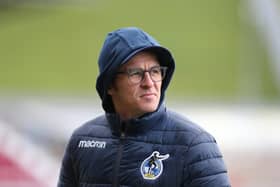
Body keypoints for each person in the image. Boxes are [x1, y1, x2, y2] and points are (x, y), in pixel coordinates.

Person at [57, 27, 231, 187]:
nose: (149, 83)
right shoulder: (81, 140)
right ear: (109, 85)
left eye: (155, 71)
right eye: (136, 73)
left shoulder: (194, 145)